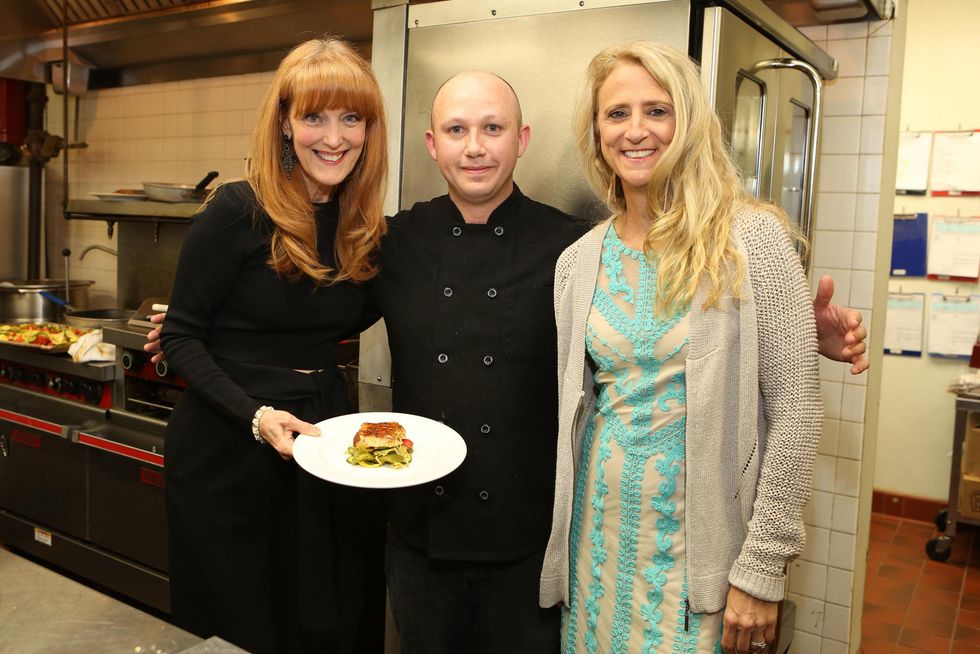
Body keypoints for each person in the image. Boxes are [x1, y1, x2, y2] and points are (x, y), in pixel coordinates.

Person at [147, 68, 866, 653]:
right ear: (432, 144)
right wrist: (200, 331)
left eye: (493, 129)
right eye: (457, 131)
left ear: (522, 141)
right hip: (418, 538)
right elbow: (310, 306)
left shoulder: (576, 248)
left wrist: (790, 333)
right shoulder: (392, 243)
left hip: (536, 544)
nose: (475, 148)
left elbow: (656, 339)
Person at [539, 41, 825, 654]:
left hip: (702, 558)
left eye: (657, 111)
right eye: (617, 114)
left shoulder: (752, 240)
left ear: (689, 121)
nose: (635, 130)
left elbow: (796, 414)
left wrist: (762, 567)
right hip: (596, 542)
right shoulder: (577, 262)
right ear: (597, 132)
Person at [158, 37, 387, 653]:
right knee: (237, 628)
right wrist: (256, 415)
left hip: (317, 442)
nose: (333, 137)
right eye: (314, 117)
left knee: (319, 623)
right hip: (228, 448)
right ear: (285, 124)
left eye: (351, 118)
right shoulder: (237, 208)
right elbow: (180, 334)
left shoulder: (364, 227)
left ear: (369, 129)